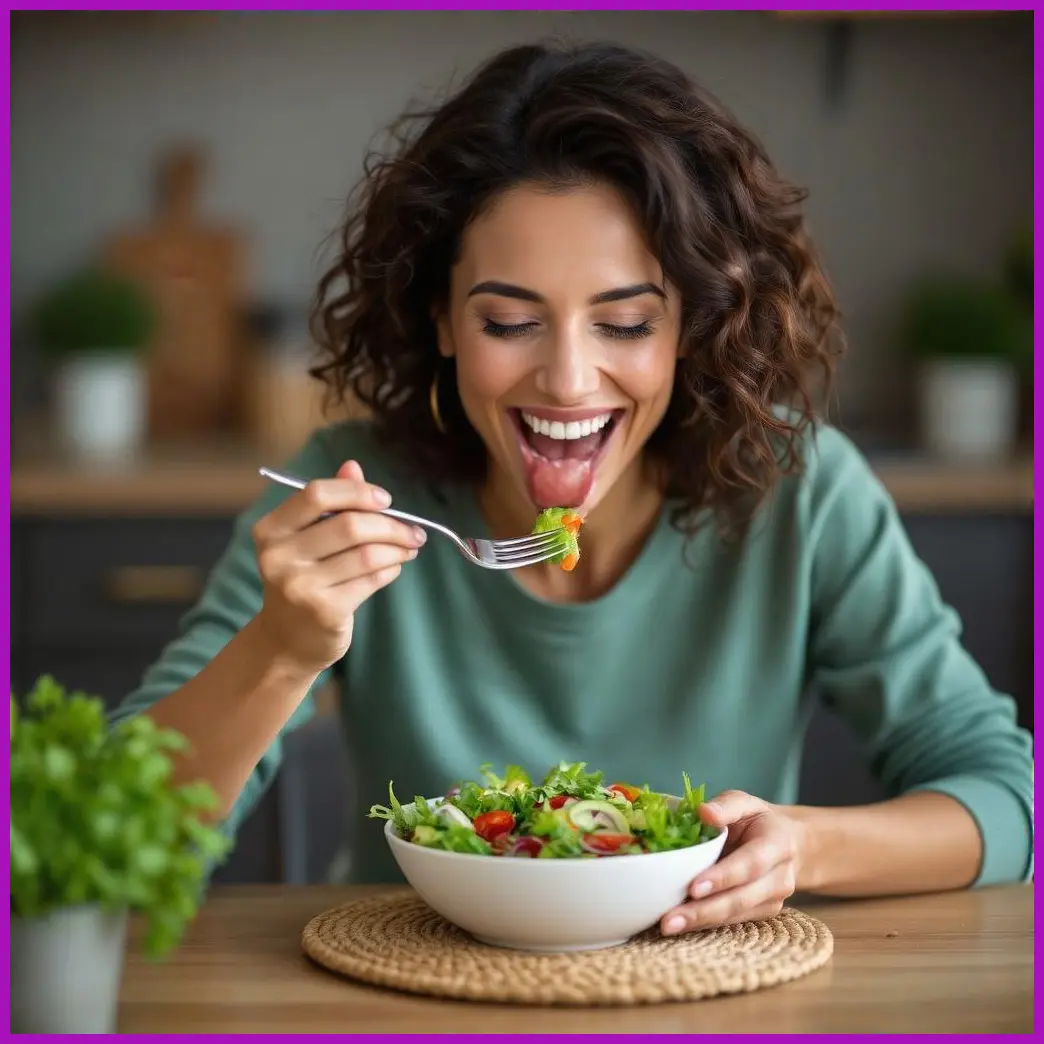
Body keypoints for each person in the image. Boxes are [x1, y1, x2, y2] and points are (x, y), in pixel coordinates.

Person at [113, 40, 1032, 936]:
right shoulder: (351, 489)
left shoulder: (802, 492)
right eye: (509, 321)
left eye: (625, 322)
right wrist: (279, 648)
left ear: (690, 328)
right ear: (440, 316)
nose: (567, 380)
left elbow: (1004, 797)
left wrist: (805, 847)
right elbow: (116, 843)